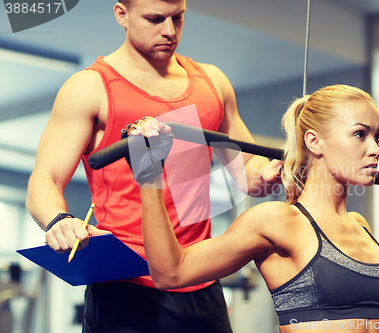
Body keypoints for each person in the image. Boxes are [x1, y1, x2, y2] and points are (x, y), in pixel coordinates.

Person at [25, 0, 281, 332]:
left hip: (201, 278)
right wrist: (57, 219)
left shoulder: (212, 82)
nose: (169, 31)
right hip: (126, 284)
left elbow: (247, 172)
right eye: (155, 19)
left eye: (178, 18)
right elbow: (44, 180)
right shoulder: (90, 88)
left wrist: (268, 173)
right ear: (122, 15)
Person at [130, 84, 379, 333]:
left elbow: (371, 289)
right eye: (360, 134)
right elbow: (171, 273)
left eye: (378, 136)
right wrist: (150, 175)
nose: (375, 148)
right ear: (314, 142)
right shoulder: (278, 221)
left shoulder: (358, 224)